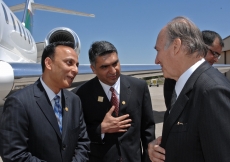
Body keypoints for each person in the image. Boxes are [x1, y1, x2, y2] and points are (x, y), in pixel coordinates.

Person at [148, 16, 230, 162]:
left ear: (176, 46)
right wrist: (159, 148)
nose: (156, 60)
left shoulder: (211, 91)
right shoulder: (182, 85)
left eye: (158, 50)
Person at [0, 42, 90, 162]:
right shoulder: (19, 102)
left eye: (77, 65)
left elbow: (83, 142)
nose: (76, 70)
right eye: (69, 63)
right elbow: (14, 155)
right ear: (48, 63)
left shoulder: (74, 101)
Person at [72, 41, 155, 162]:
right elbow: (75, 135)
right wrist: (100, 129)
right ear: (93, 69)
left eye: (115, 63)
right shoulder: (79, 95)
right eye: (105, 67)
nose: (113, 71)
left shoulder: (139, 87)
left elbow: (148, 130)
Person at [164, 30, 224, 110]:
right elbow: (174, 110)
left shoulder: (213, 77)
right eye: (214, 54)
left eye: (218, 56)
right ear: (200, 47)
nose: (216, 60)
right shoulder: (176, 74)